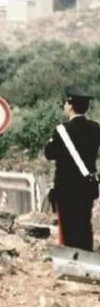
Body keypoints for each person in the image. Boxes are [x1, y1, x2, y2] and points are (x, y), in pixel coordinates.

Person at [44, 86, 100, 252]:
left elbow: (49, 153)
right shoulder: (95, 128)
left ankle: (71, 259)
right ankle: (87, 257)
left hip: (66, 187)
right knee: (84, 223)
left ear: (70, 105)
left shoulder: (62, 130)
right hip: (87, 185)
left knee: (68, 226)